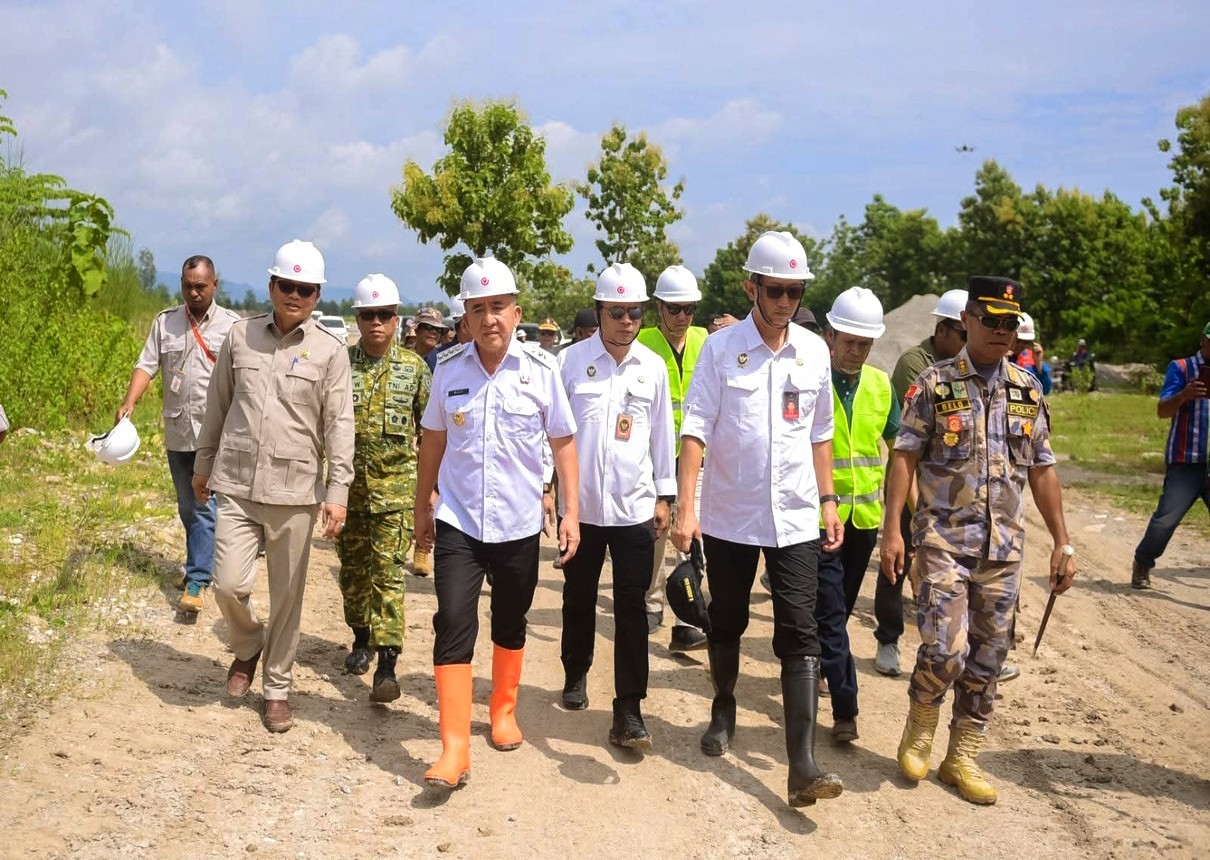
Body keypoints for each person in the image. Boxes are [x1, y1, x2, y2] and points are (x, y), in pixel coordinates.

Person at [880, 275, 1076, 805]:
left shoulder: (1027, 388)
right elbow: (905, 457)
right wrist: (893, 528)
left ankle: (961, 756)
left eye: (1010, 323)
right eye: (991, 321)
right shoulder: (936, 384)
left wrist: (1063, 541)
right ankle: (921, 722)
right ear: (966, 319)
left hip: (1004, 549)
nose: (1002, 332)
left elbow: (1042, 469)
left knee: (989, 658)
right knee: (945, 648)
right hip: (943, 539)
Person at [673, 230, 844, 808]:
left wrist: (828, 501)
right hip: (729, 517)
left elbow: (819, 435)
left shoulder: (814, 352)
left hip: (795, 516)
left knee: (800, 629)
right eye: (776, 290)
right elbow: (694, 430)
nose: (786, 302)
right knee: (727, 621)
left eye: (796, 292)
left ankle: (802, 763)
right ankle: (724, 707)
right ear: (752, 287)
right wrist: (687, 508)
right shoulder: (721, 352)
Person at [413, 255, 580, 790]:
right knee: (454, 619)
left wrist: (571, 510)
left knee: (511, 618)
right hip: (459, 521)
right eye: (478, 309)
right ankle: (454, 748)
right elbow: (434, 440)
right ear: (465, 318)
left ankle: (503, 710)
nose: (490, 319)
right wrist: (422, 505)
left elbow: (563, 442)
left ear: (517, 312)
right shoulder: (449, 370)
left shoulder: (542, 371)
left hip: (517, 523)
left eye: (499, 307)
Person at [192, 239, 354, 734]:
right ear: (272, 285)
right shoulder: (240, 338)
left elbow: (339, 424)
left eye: (306, 289)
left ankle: (277, 689)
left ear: (317, 294)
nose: (295, 296)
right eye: (288, 286)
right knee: (227, 583)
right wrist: (203, 462)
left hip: (296, 491)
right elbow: (218, 405)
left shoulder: (330, 350)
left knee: (287, 597)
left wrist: (337, 491)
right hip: (237, 483)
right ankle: (248, 645)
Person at [556, 263, 676, 748]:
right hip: (581, 510)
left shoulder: (652, 367)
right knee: (578, 597)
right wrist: (552, 492)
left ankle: (629, 708)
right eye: (617, 312)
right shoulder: (570, 363)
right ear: (600, 311)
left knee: (631, 608)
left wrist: (665, 494)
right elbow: (555, 435)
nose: (627, 321)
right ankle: (575, 671)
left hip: (633, 509)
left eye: (635, 312)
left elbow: (663, 435)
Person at [118, 256, 241, 614]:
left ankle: (197, 580)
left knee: (204, 505)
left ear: (215, 285)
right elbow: (146, 364)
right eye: (188, 286)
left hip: (215, 435)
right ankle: (202, 561)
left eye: (201, 286)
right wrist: (130, 402)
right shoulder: (165, 322)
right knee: (188, 507)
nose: (194, 292)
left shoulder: (232, 327)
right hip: (178, 430)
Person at [336, 274, 431, 703]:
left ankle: (388, 665)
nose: (376, 322)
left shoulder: (413, 369)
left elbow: (432, 431)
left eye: (385, 315)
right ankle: (361, 639)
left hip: (395, 495)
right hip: (348, 493)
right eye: (368, 315)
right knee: (354, 576)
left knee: (388, 578)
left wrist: (428, 490)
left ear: (398, 320)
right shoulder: (339, 364)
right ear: (358, 318)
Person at [813, 287, 898, 745]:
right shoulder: (809, 379)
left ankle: (822, 663)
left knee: (839, 612)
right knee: (828, 612)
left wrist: (904, 516)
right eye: (849, 341)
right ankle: (846, 709)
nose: (857, 351)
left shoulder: (882, 386)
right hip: (817, 518)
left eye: (865, 344)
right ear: (830, 335)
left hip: (864, 520)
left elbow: (900, 448)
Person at [878, 289, 968, 676]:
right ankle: (888, 638)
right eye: (963, 334)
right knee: (897, 560)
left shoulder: (967, 365)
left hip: (954, 487)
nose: (969, 342)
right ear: (942, 329)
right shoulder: (915, 364)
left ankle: (959, 646)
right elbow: (925, 429)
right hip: (914, 478)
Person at [636, 265, 709, 651]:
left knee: (692, 536)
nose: (682, 317)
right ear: (659, 308)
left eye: (689, 309)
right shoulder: (642, 342)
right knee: (657, 535)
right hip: (653, 458)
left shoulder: (707, 342)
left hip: (695, 458)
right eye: (674, 309)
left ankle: (687, 617)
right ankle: (651, 600)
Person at [1131, 322, 1210, 589]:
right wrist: (1184, 395)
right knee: (1166, 520)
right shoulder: (1182, 368)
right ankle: (1142, 562)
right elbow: (1162, 410)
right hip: (1185, 461)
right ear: (1203, 340)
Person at [414, 307, 451, 372]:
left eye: (438, 329)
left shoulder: (445, 364)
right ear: (417, 329)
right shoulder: (403, 357)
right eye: (429, 327)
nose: (434, 332)